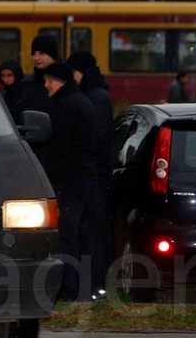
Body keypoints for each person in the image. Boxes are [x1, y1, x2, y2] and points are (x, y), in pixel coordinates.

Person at [36, 61, 96, 302]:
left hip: (70, 178)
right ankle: (85, 289)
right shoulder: (84, 102)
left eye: (49, 80)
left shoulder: (65, 105)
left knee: (67, 235)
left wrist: (44, 175)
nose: (46, 85)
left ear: (60, 81)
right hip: (86, 178)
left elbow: (59, 146)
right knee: (83, 235)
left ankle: (69, 290)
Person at [67, 51, 114, 300]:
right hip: (96, 173)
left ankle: (98, 284)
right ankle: (94, 283)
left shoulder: (95, 97)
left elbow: (99, 137)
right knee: (90, 230)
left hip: (95, 175)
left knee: (93, 231)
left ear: (79, 71)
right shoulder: (95, 94)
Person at [10, 33, 58, 122]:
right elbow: (15, 114)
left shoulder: (63, 83)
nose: (36, 58)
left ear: (52, 55)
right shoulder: (26, 84)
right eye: (34, 53)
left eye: (41, 53)